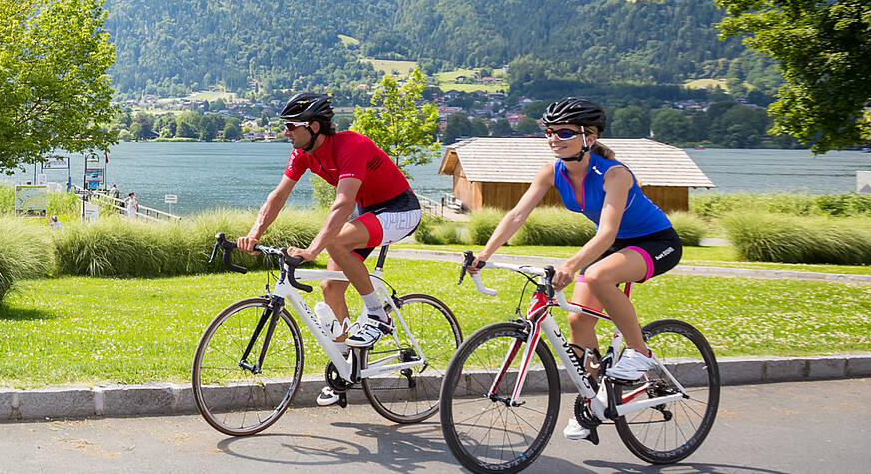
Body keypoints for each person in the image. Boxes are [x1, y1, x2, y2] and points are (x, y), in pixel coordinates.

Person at [469, 97, 680, 442]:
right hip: (614, 246)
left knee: (597, 275)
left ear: (589, 138)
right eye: (549, 132)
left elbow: (607, 232)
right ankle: (593, 401)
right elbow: (517, 216)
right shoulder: (552, 171)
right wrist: (484, 254)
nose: (554, 138)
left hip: (656, 242)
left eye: (564, 132)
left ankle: (640, 354)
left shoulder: (614, 174)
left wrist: (571, 265)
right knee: (578, 319)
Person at [238, 93, 424, 405]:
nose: (286, 131)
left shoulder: (352, 145)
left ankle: (379, 317)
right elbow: (278, 196)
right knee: (330, 288)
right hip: (368, 213)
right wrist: (254, 234)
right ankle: (346, 369)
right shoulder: (303, 153)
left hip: (400, 208)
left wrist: (311, 250)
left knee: (336, 242)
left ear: (314, 126)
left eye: (292, 126)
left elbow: (342, 204)